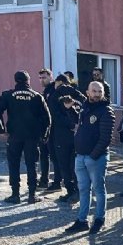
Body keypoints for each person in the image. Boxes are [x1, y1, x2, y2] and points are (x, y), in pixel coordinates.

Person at [0, 70, 52, 204]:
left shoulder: (8, 95)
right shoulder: (37, 96)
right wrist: (44, 135)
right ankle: (32, 195)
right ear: (28, 81)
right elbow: (47, 118)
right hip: (32, 136)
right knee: (32, 164)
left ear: (16, 80)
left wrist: (1, 130)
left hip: (14, 135)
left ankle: (15, 194)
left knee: (13, 164)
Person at [65, 81, 115, 235]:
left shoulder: (106, 111)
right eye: (94, 91)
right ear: (87, 92)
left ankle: (99, 219)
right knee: (83, 190)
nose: (97, 93)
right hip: (80, 156)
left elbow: (106, 138)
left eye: (99, 91)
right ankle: (82, 221)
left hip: (96, 158)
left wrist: (93, 156)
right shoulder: (85, 108)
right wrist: (69, 109)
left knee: (99, 190)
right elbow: (79, 125)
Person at [49, 74, 87, 202]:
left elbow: (55, 116)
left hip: (61, 136)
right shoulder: (78, 94)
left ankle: (71, 191)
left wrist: (70, 125)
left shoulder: (54, 96)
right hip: (78, 135)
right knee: (76, 165)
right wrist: (76, 125)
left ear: (59, 82)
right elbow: (84, 108)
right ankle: (77, 191)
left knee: (64, 165)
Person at [37, 68, 59, 189]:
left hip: (53, 128)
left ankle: (56, 182)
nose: (41, 80)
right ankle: (44, 180)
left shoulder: (53, 90)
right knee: (44, 154)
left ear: (51, 77)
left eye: (44, 77)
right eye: (40, 78)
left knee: (54, 156)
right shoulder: (45, 91)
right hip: (45, 128)